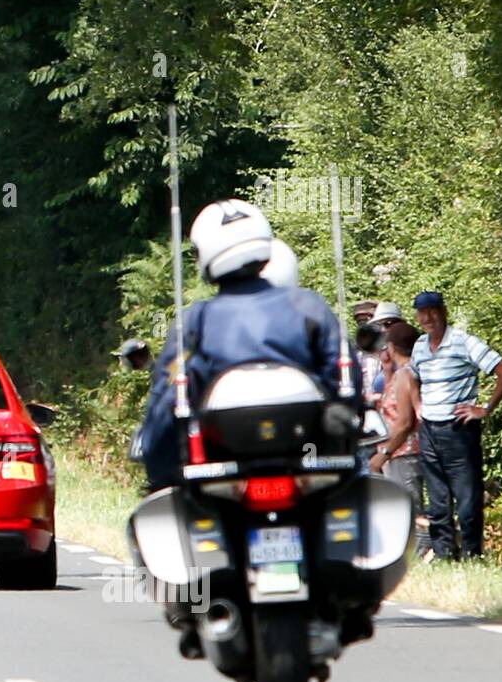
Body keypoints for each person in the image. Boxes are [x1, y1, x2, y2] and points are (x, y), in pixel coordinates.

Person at [139, 199, 358, 491]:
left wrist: (159, 471)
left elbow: (168, 396)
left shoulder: (196, 321)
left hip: (222, 474)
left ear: (203, 252)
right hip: (309, 464)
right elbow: (346, 377)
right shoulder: (308, 306)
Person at [408, 291, 502, 560]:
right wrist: (417, 405)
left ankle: (472, 554)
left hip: (458, 428)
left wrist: (485, 409)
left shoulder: (463, 341)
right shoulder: (420, 345)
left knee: (467, 498)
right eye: (422, 312)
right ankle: (444, 555)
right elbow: (410, 376)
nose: (427, 317)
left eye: (432, 311)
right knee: (438, 498)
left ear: (443, 311)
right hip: (429, 428)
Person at [368, 321, 431, 560]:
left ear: (392, 346)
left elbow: (404, 422)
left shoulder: (406, 375)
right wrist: (386, 369)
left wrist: (383, 453)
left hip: (404, 452)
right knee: (403, 506)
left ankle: (422, 553)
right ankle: (415, 553)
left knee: (409, 506)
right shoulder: (399, 373)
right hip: (398, 452)